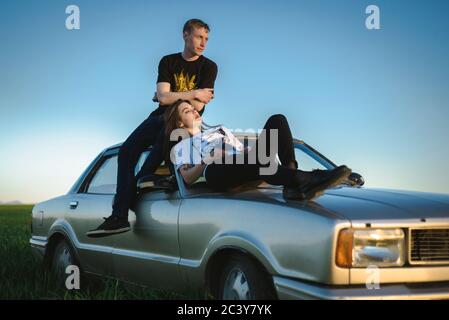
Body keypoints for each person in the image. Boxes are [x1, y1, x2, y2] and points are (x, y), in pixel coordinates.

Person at [87, 19, 218, 237]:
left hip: (182, 122)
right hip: (158, 117)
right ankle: (119, 217)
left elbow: (196, 105)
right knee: (127, 152)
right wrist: (193, 93)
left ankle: (142, 183)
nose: (203, 43)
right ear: (185, 35)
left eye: (206, 39)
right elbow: (165, 98)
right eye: (198, 37)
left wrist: (170, 97)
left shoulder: (209, 66)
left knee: (157, 152)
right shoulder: (168, 61)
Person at [164, 100, 352, 200]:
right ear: (180, 122)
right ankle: (305, 179)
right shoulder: (181, 145)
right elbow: (188, 178)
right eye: (187, 111)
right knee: (258, 161)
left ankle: (293, 179)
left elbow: (243, 153)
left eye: (192, 108)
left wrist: (247, 150)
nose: (195, 111)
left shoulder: (219, 129)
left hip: (243, 163)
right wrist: (209, 158)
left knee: (277, 120)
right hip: (216, 171)